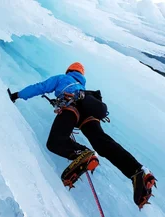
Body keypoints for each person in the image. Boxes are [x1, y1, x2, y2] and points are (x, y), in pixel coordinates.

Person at [9, 62, 156, 209]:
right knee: (102, 142)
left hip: (72, 107)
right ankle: (138, 171)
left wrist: (17, 95)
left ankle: (82, 153)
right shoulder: (83, 89)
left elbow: (40, 87)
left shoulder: (62, 78)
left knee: (55, 142)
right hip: (89, 112)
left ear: (69, 71)